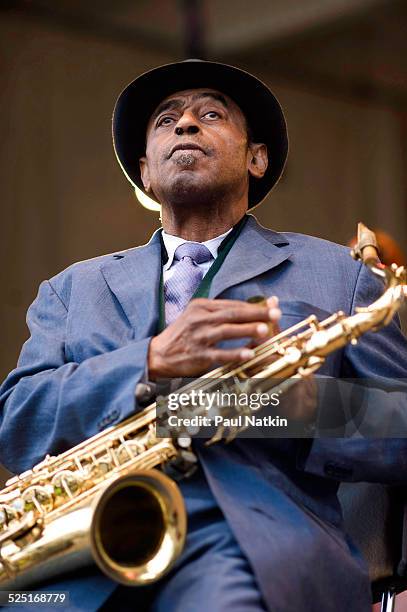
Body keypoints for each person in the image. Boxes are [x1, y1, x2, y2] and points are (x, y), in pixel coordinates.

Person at [1, 59, 407, 612]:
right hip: (78, 554)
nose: (185, 124)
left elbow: (401, 423)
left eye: (209, 114)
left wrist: (288, 406)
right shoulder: (71, 289)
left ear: (256, 158)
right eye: (166, 121)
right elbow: (17, 420)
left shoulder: (343, 272)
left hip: (252, 548)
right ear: (146, 171)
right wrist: (150, 359)